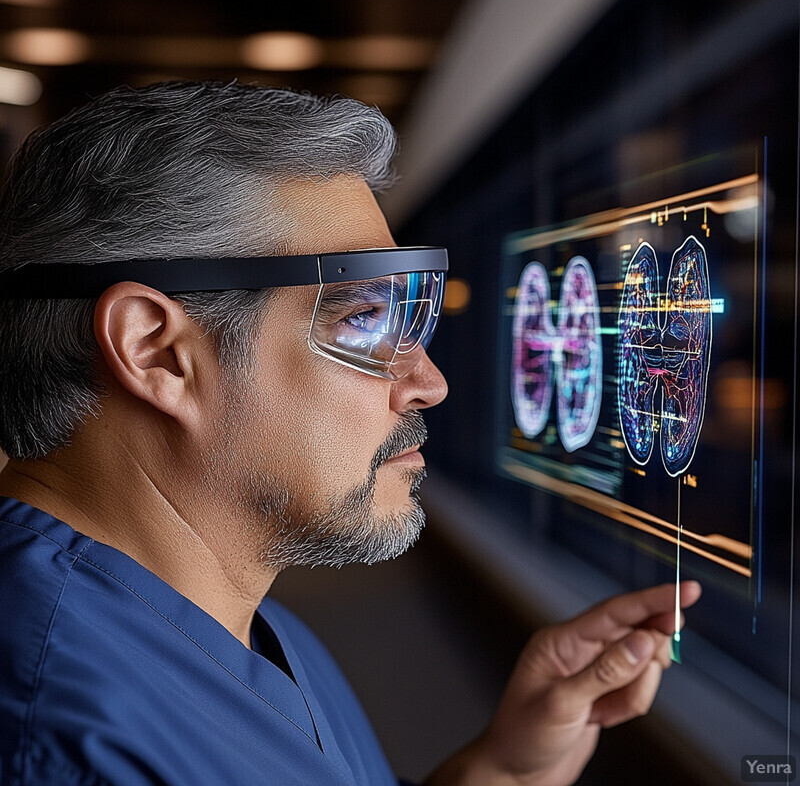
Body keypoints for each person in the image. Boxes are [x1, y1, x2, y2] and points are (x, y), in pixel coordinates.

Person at [0, 81, 700, 786]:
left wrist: (502, 773)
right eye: (362, 318)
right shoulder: (69, 746)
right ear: (157, 352)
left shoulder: (232, 624)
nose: (428, 381)